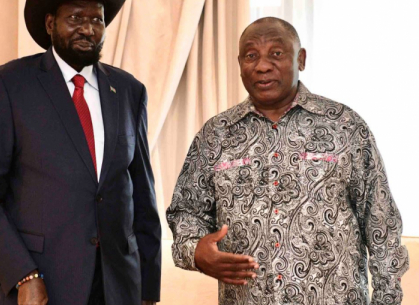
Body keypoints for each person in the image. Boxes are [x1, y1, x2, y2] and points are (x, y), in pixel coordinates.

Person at [166, 17, 409, 305]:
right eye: (251, 55)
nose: (262, 65)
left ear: (301, 59)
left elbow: (381, 222)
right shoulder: (216, 135)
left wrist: (387, 298)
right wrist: (194, 251)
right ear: (240, 62)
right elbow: (186, 211)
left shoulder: (344, 126)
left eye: (276, 54)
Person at [0, 0, 161, 304]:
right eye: (75, 18)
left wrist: (148, 289)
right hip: (39, 285)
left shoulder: (129, 91)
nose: (87, 29)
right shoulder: (9, 85)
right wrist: (23, 275)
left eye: (97, 19)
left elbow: (143, 198)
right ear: (49, 24)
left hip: (118, 287)